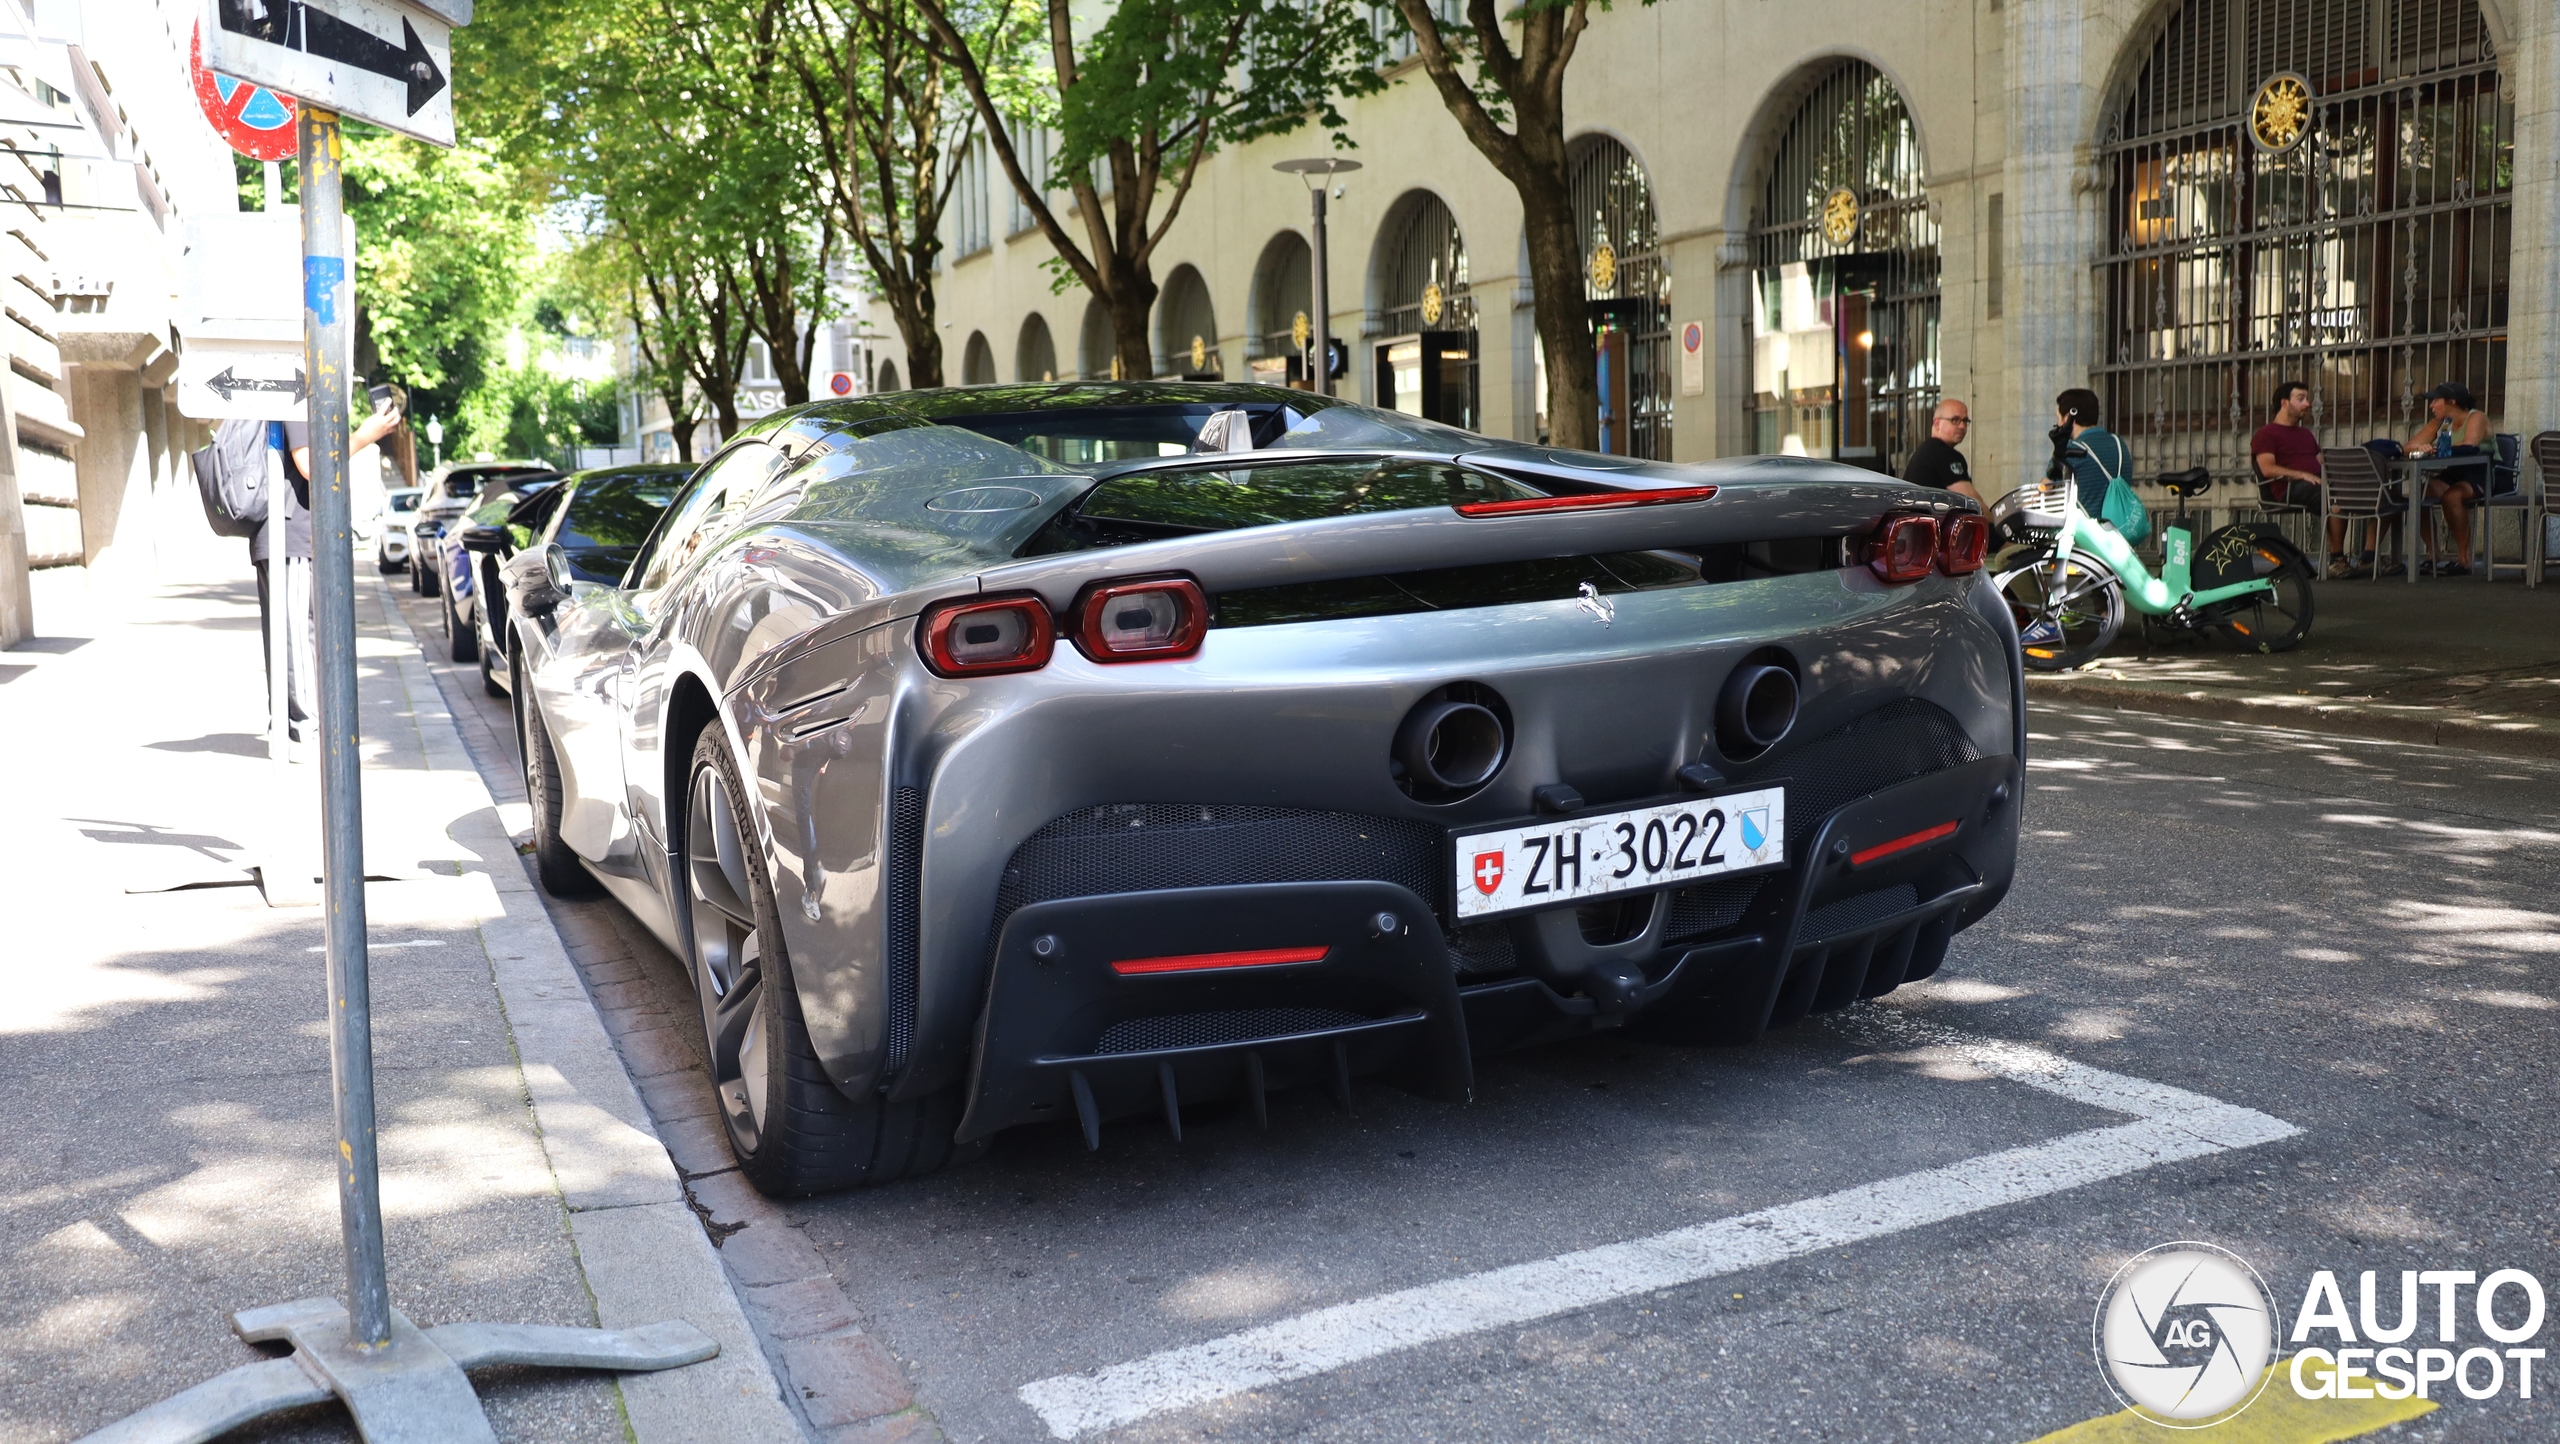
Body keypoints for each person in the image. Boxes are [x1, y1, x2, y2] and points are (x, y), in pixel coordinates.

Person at [2252, 381, 2355, 578]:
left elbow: (2320, 461)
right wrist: (2302, 475)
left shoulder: (2306, 434)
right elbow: (2267, 469)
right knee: (2334, 497)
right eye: (2301, 399)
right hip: (2287, 489)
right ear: (2284, 403)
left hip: (2315, 483)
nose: (2307, 404)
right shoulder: (2266, 434)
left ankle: (2369, 557)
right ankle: (2337, 560)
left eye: (2306, 399)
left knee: (2361, 491)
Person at [2402, 381, 2489, 576]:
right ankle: (2434, 555)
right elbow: (2407, 448)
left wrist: (2432, 450)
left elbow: (2470, 447)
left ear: (2452, 401)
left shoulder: (2476, 417)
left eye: (2435, 401)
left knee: (2451, 497)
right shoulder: (2441, 422)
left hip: (2482, 472)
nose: (2431, 406)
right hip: (2455, 472)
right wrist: (2420, 448)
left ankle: (2464, 558)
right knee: (2419, 494)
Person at [2050, 388, 2128, 519]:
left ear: (2068, 418)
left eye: (2059, 418)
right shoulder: (2119, 444)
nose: (2058, 424)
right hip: (2122, 531)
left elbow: (2046, 490)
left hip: (2086, 535)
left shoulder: (2068, 450)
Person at [1902, 399, 1979, 501]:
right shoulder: (1943, 453)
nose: (1962, 426)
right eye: (1955, 420)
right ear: (1937, 424)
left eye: (1965, 421)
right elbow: (1971, 500)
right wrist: (1992, 517)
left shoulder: (1927, 450)